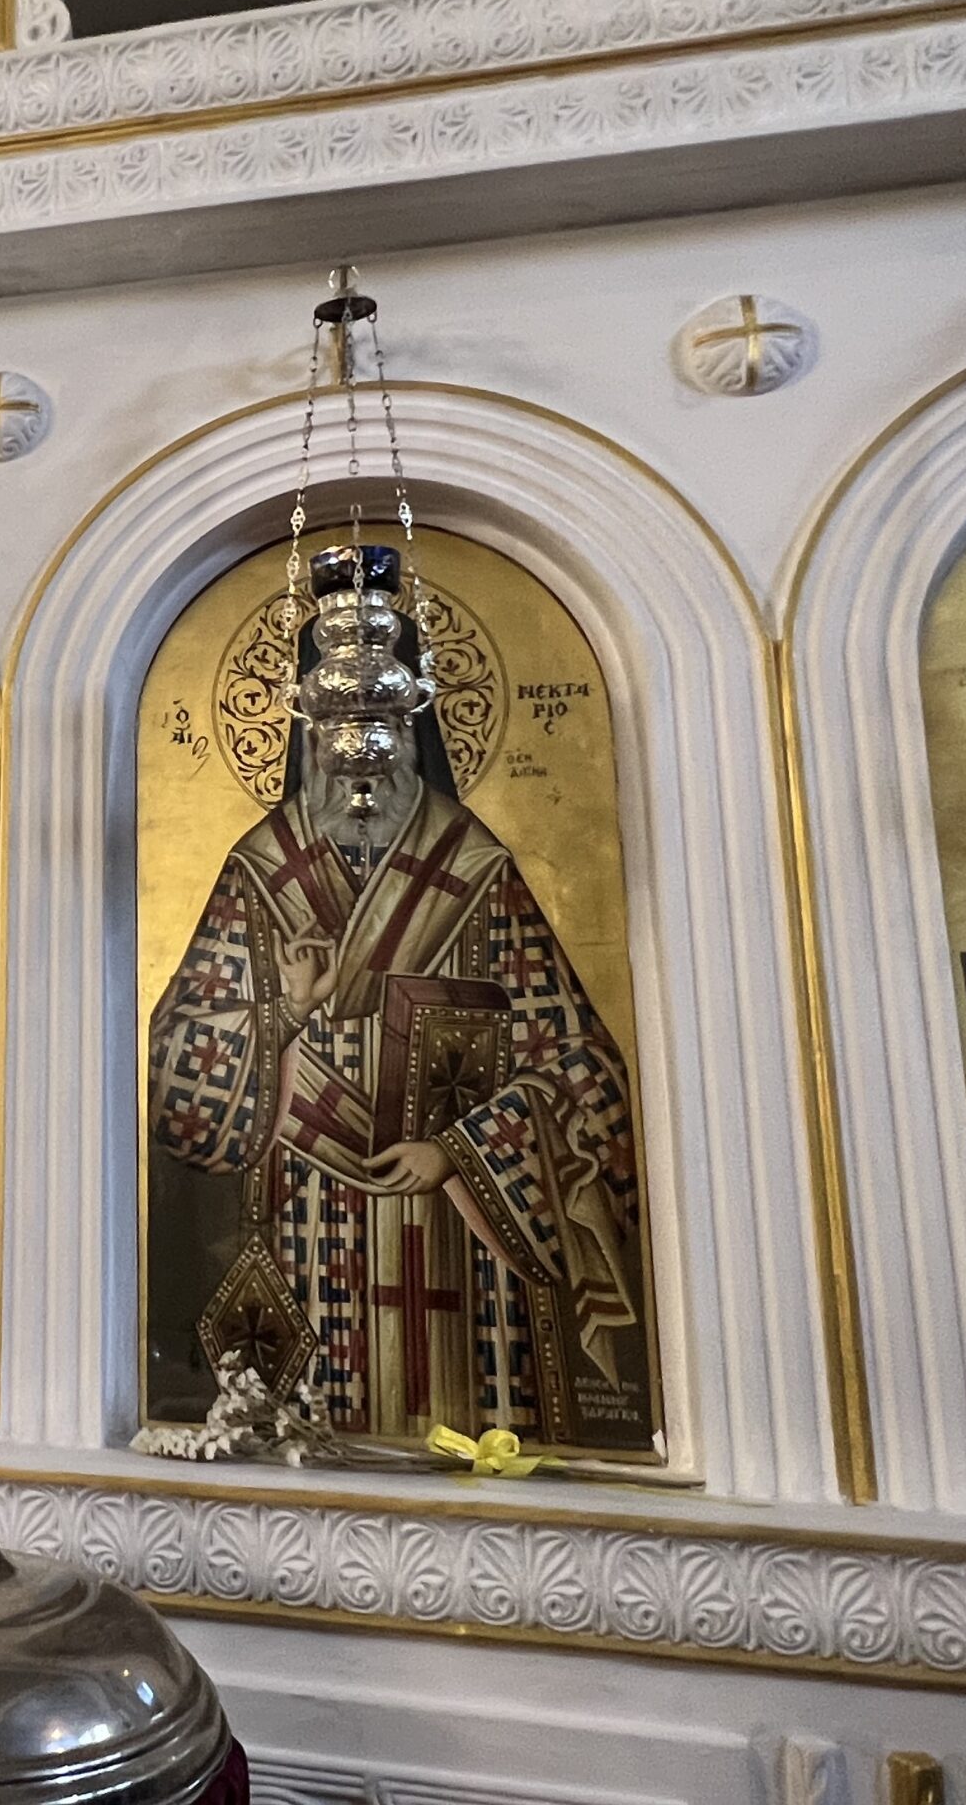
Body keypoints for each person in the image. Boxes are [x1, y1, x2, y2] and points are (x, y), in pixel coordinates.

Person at [146, 561, 652, 1447]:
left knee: (463, 1422)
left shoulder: (477, 870)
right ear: (305, 735)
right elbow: (169, 1071)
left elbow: (583, 1073)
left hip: (462, 1229)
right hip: (301, 1226)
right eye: (336, 729)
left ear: (415, 729)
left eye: (379, 727)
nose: (358, 758)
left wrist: (460, 1151)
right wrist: (282, 1015)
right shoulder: (259, 872)